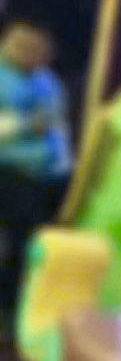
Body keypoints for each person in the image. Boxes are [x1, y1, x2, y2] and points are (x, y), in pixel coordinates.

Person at [0, 22, 72, 324]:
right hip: (12, 171)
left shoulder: (47, 82)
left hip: (48, 176)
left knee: (33, 246)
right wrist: (28, 125)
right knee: (17, 244)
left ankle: (21, 309)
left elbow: (56, 121)